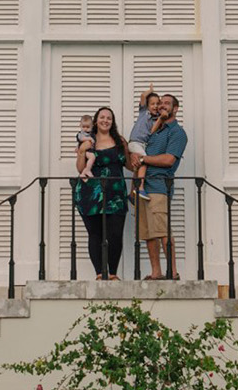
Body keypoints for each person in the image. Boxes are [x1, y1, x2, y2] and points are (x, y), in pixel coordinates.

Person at [73, 106, 132, 280]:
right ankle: (99, 273)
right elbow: (80, 168)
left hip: (116, 194)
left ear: (112, 122)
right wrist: (82, 150)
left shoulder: (120, 141)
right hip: (90, 193)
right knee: (95, 234)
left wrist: (139, 159)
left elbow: (128, 165)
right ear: (96, 120)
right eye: (102, 117)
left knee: (115, 234)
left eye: (109, 118)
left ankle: (112, 273)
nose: (105, 120)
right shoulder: (88, 140)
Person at [137, 94, 187, 280]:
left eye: (167, 103)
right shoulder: (154, 129)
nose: (162, 106)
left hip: (159, 186)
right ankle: (156, 272)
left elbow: (168, 159)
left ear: (175, 109)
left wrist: (143, 159)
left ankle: (172, 272)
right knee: (149, 233)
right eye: (161, 103)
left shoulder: (177, 132)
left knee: (163, 231)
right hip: (143, 186)